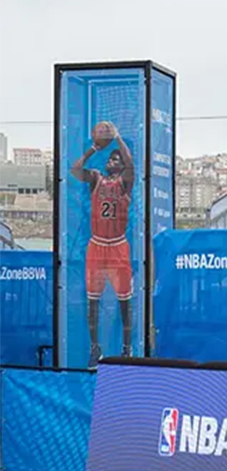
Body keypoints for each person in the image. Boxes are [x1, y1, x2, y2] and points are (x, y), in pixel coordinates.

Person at [71, 122, 134, 368]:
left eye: (115, 159)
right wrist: (93, 150)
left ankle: (126, 348)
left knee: (124, 301)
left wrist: (118, 138)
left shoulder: (125, 182)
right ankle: (95, 347)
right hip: (97, 246)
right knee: (93, 300)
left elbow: (130, 164)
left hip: (118, 245)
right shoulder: (96, 179)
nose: (112, 161)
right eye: (109, 159)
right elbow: (76, 170)